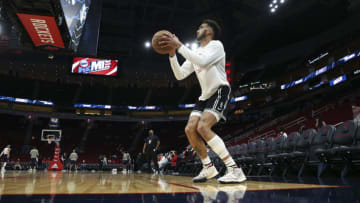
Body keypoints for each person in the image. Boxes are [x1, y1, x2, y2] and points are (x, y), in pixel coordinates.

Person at [159, 19, 246, 183]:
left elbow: (204, 62)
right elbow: (180, 75)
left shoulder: (216, 45)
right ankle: (208, 167)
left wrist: (180, 46)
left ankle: (235, 170)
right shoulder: (196, 52)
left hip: (220, 90)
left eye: (201, 27)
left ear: (209, 31)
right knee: (190, 129)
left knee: (203, 127)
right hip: (205, 96)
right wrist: (172, 54)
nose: (198, 30)